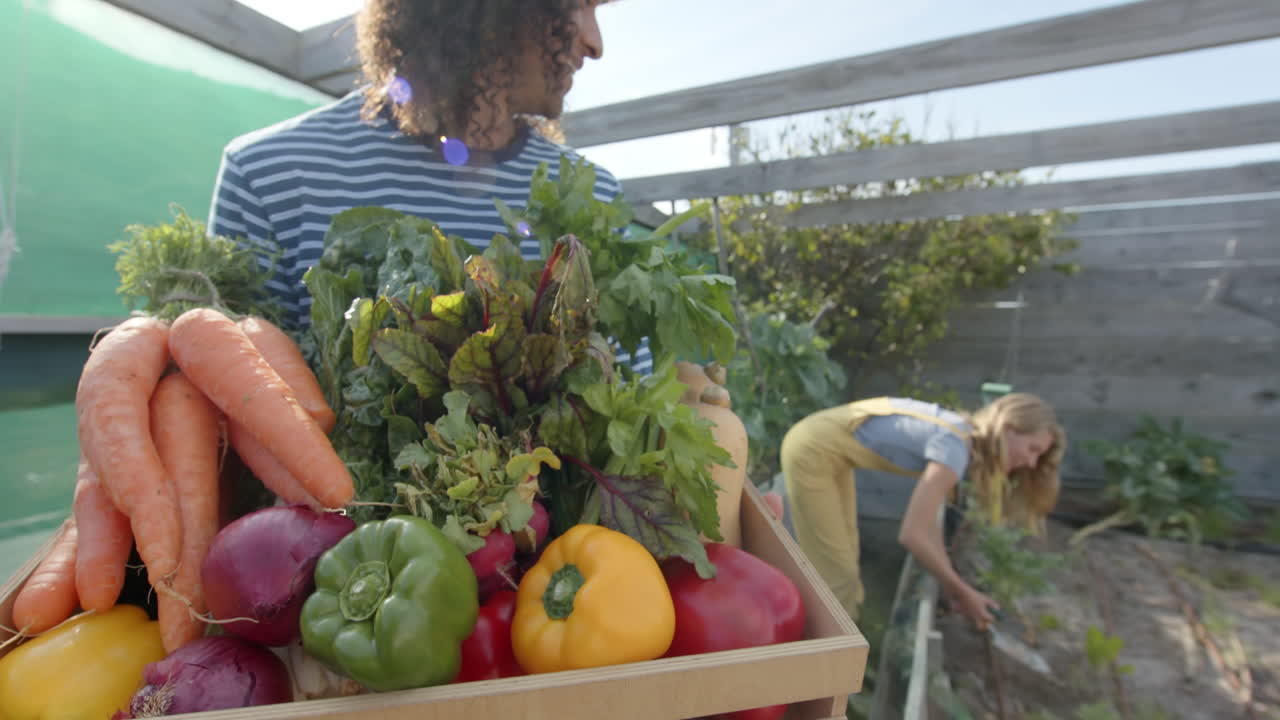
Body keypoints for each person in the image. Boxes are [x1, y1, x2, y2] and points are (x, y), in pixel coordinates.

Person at [206, 0, 651, 372]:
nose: (595, 44)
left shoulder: (594, 196)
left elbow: (633, 403)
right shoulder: (268, 174)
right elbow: (236, 398)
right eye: (576, 5)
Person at [777, 393, 1066, 631]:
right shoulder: (955, 448)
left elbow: (930, 531)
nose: (1031, 462)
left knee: (844, 564)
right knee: (838, 578)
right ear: (1009, 429)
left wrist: (952, 585)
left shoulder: (960, 438)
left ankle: (835, 657)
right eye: (1033, 449)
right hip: (812, 452)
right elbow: (912, 534)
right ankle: (817, 671)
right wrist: (963, 591)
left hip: (829, 453)